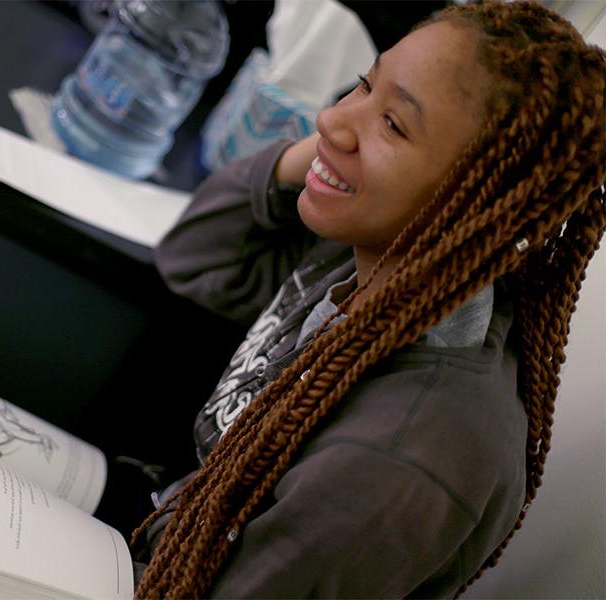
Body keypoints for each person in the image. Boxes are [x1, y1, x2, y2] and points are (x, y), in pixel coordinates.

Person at [130, 1, 606, 598]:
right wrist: (328, 158)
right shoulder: (370, 253)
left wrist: (344, 160)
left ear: (476, 202)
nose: (330, 118)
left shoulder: (408, 458)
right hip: (156, 534)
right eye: (363, 83)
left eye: (395, 125)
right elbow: (198, 258)